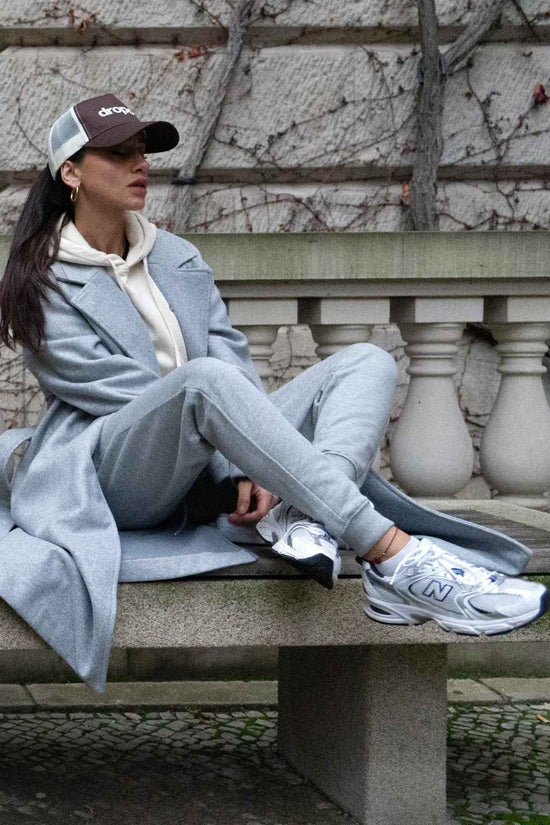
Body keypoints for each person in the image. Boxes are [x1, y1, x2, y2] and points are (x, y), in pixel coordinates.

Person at [0, 93, 546, 692]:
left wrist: (260, 464)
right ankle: (391, 555)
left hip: (210, 442)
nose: (140, 163)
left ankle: (306, 510)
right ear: (70, 171)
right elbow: (130, 397)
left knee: (363, 360)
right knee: (205, 382)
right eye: (118, 151)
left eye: (142, 150)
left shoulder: (176, 257)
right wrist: (244, 466)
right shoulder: (41, 277)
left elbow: (235, 369)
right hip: (115, 473)